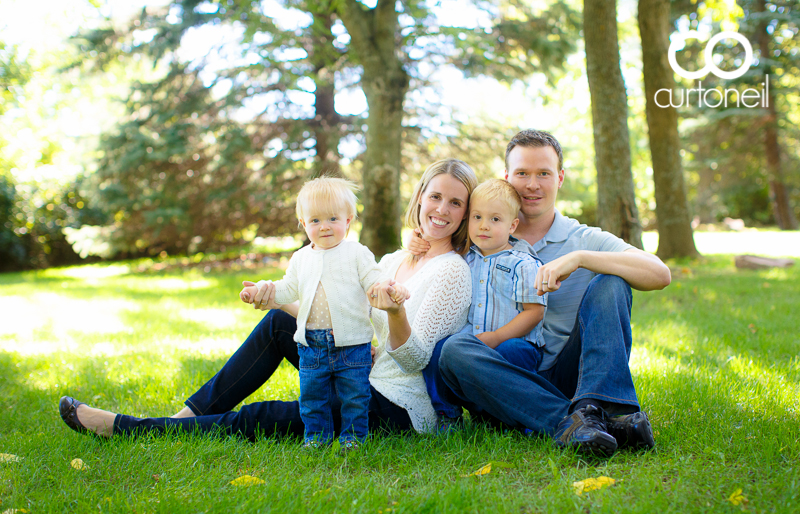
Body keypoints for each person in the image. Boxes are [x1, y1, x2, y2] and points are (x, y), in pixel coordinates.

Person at [58, 159, 477, 441]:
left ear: (465, 214)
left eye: (456, 202)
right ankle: (186, 416)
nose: (441, 209)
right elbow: (337, 315)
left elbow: (415, 361)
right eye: (435, 196)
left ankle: (135, 429)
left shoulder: (452, 272)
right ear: (419, 197)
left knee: (267, 417)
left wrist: (396, 312)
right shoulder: (394, 259)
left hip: (399, 405)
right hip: (358, 367)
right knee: (280, 325)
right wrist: (275, 298)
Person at [415, 130, 672, 456]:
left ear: (559, 178)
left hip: (570, 377)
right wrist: (417, 241)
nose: (532, 184)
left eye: (544, 174)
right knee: (454, 350)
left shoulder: (581, 238)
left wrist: (580, 259)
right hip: (499, 375)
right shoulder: (481, 234)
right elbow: (431, 246)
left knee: (612, 282)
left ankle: (598, 407)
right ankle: (582, 423)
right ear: (507, 176)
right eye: (522, 173)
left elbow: (660, 274)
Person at [239, 176, 409, 448]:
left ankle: (353, 437)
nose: (325, 226)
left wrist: (389, 288)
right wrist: (261, 290)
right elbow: (287, 288)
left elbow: (374, 279)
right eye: (315, 221)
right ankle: (316, 437)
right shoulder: (301, 258)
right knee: (312, 396)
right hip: (312, 345)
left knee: (355, 396)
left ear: (348, 221)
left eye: (332, 218)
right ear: (304, 224)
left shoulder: (356, 253)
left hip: (352, 345)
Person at [423, 179, 546, 428]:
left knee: (511, 352)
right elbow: (432, 246)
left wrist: (497, 337)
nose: (484, 226)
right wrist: (419, 239)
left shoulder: (523, 263)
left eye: (495, 220)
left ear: (512, 225)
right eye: (477, 217)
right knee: (438, 349)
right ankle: (447, 413)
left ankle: (510, 416)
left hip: (515, 344)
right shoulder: (464, 257)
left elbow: (534, 313)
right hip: (471, 344)